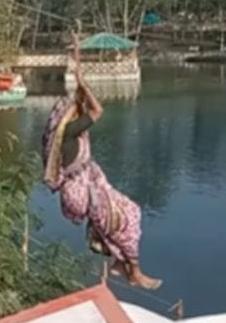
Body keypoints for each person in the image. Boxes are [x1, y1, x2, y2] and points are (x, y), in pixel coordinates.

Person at [42, 34, 161, 289]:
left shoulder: (59, 135)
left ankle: (120, 263)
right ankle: (135, 272)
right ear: (69, 120)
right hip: (81, 193)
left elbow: (83, 105)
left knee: (126, 211)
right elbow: (97, 110)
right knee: (127, 217)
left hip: (76, 191)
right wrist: (83, 82)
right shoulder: (70, 133)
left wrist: (76, 55)